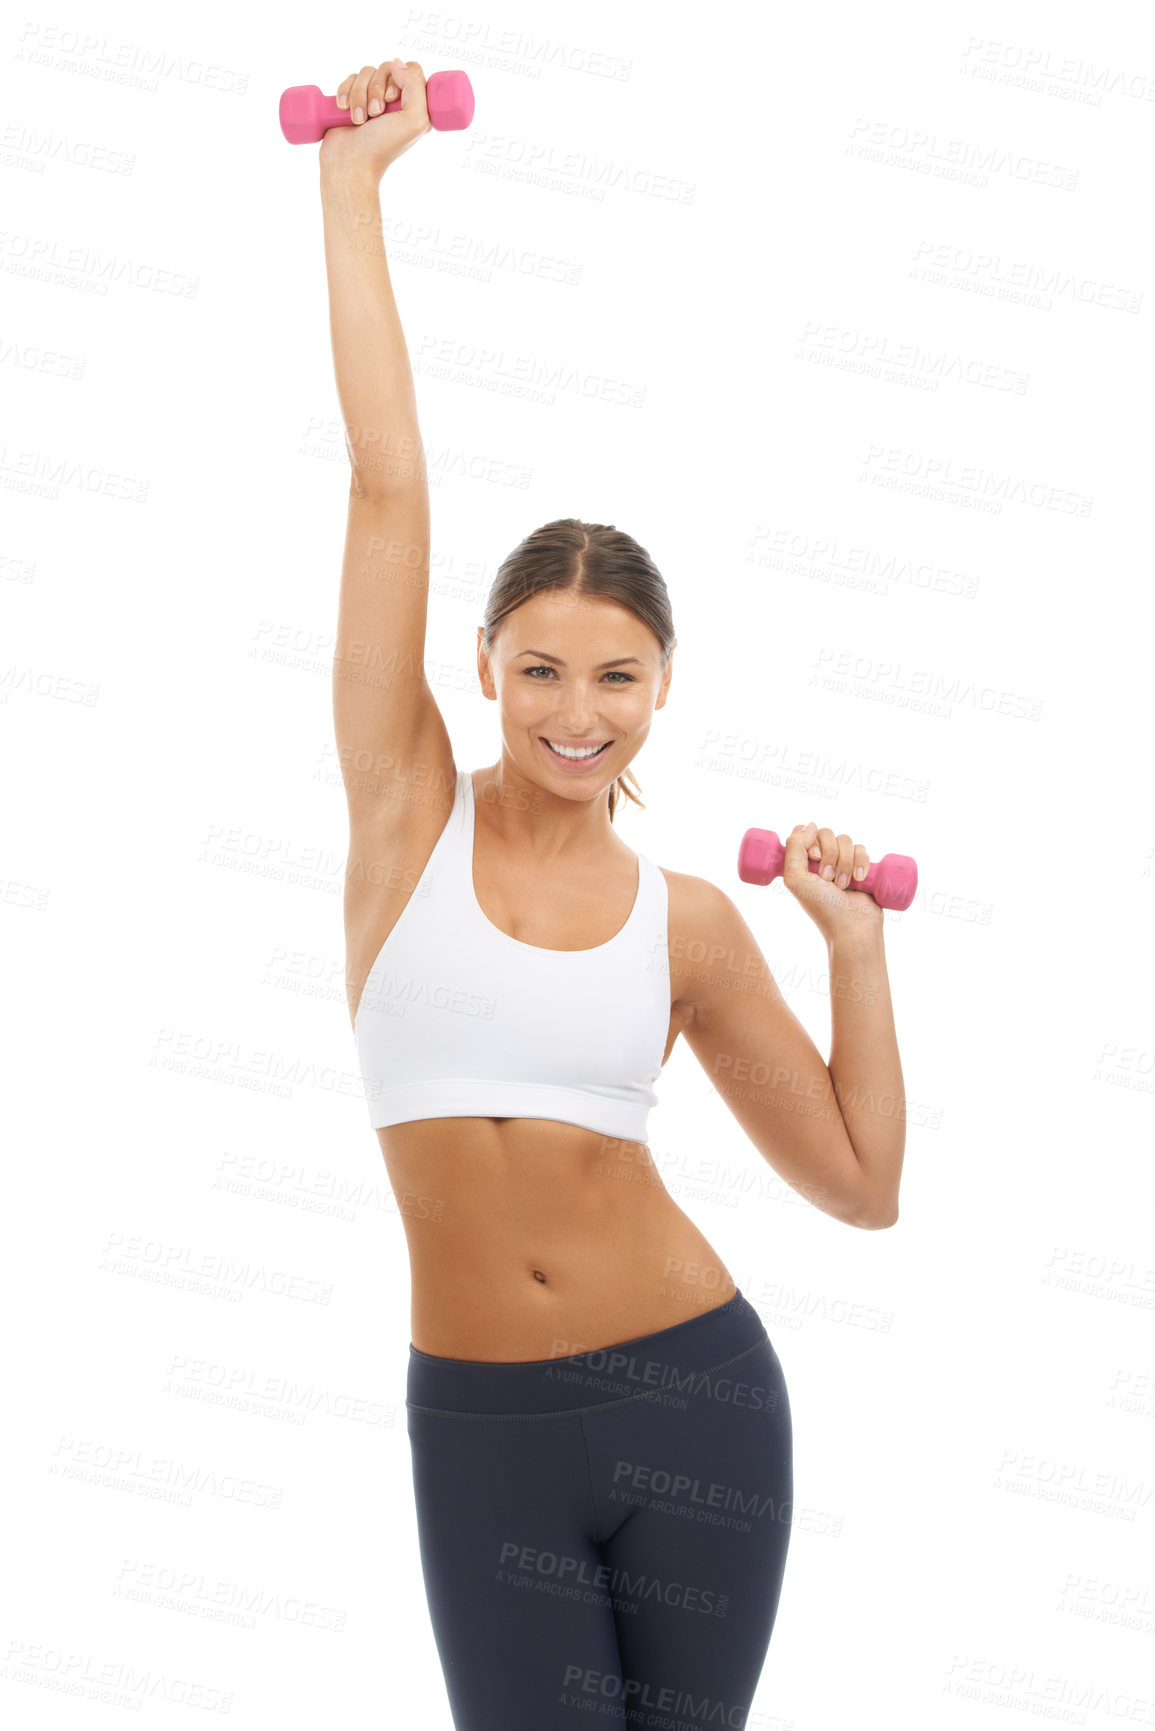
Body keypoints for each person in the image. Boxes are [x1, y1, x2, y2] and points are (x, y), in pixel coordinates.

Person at [317, 57, 906, 1731]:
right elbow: (386, 484)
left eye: (621, 679)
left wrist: (853, 948)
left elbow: (863, 1187)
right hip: (485, 1426)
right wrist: (354, 194)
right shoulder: (401, 816)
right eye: (544, 670)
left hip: (700, 1401)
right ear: (484, 668)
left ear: (663, 690)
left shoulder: (690, 928)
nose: (580, 714)